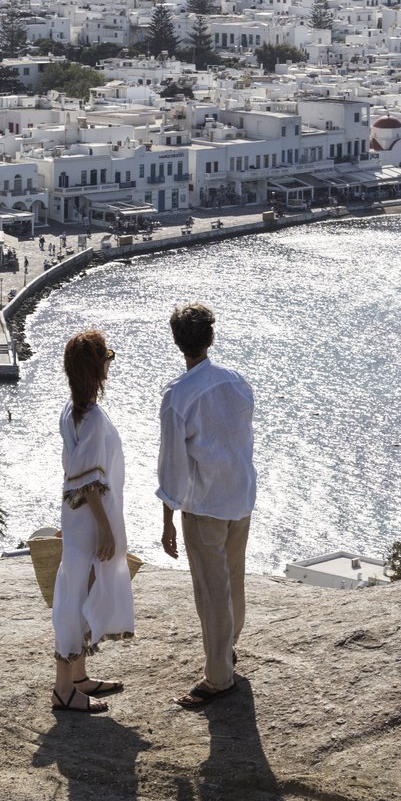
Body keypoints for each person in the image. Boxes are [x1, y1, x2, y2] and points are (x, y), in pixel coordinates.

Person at [156, 301, 256, 708]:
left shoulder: (178, 397)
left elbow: (172, 466)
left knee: (211, 591)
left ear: (179, 344)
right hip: (240, 495)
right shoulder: (237, 382)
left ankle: (218, 677)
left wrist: (167, 519)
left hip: (204, 505)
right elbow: (240, 439)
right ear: (211, 338)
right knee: (234, 580)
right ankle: (226, 650)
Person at [50, 329, 133, 715]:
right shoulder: (94, 418)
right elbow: (91, 482)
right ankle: (64, 689)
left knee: (77, 590)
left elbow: (73, 476)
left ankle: (78, 676)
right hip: (90, 520)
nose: (108, 365)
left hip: (76, 516)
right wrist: (104, 528)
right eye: (106, 359)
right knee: (76, 597)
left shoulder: (71, 410)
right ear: (96, 369)